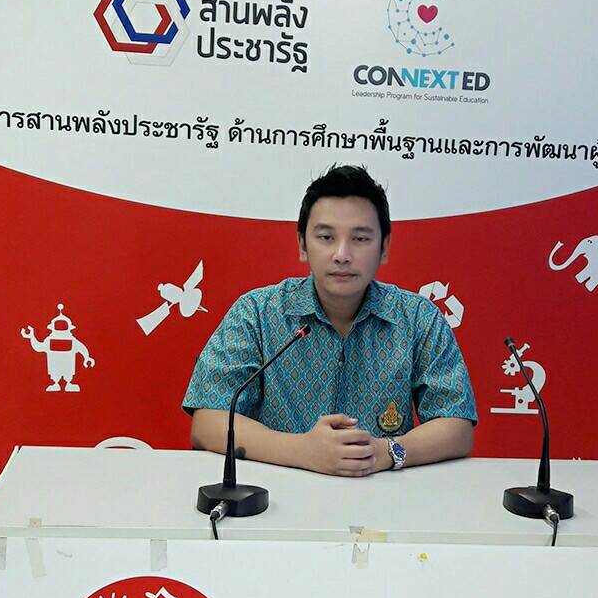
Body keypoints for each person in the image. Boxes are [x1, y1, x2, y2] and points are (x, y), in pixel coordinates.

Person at [183, 165, 476, 476]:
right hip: (277, 493)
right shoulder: (256, 312)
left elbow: (457, 425)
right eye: (326, 237)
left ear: (384, 247)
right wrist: (302, 451)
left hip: (382, 493)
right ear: (302, 244)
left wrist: (386, 451)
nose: (342, 254)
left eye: (360, 238)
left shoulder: (418, 318)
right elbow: (207, 423)